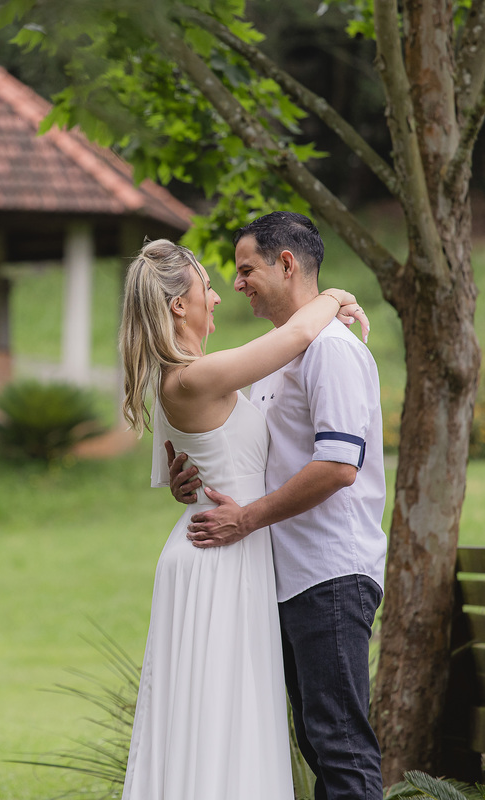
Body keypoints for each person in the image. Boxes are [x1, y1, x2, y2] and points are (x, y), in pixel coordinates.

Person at [118, 236, 368, 799]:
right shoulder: (193, 377)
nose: (218, 297)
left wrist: (189, 482)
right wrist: (333, 296)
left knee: (225, 717)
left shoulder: (190, 376)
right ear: (178, 305)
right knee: (220, 717)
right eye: (207, 287)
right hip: (221, 558)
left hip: (230, 547)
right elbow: (297, 336)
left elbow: (190, 466)